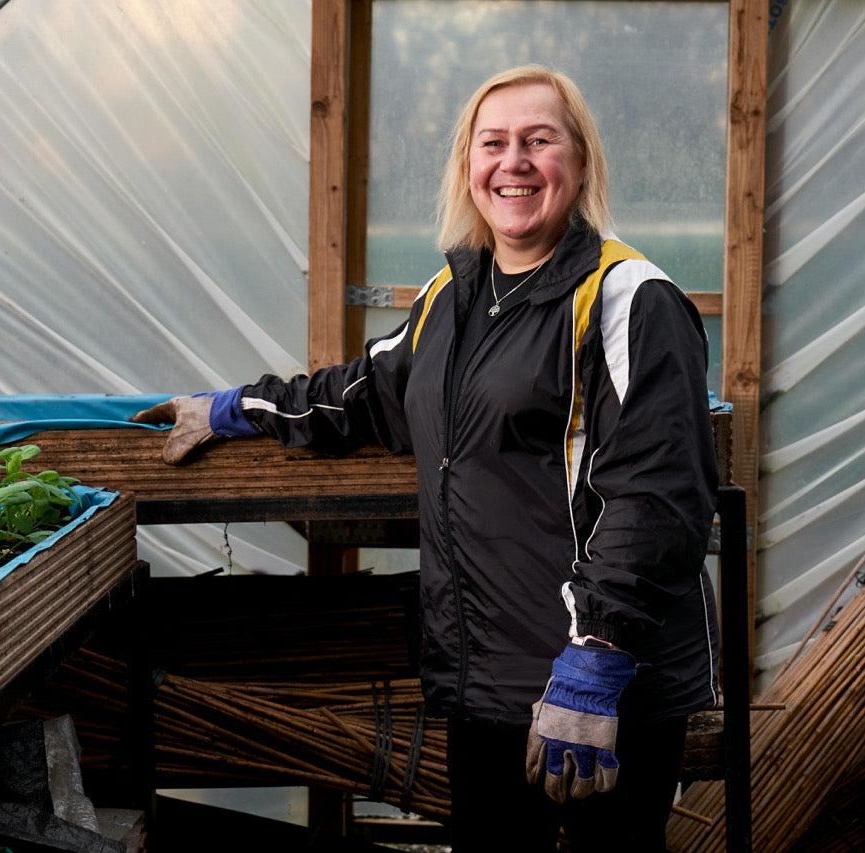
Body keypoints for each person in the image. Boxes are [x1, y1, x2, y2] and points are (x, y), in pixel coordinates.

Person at [132, 65, 719, 852]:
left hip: (596, 689)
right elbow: (362, 394)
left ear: (578, 165)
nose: (513, 162)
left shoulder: (628, 300)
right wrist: (237, 409)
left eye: (539, 141)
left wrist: (598, 660)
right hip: (485, 683)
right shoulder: (453, 298)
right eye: (493, 143)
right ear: (467, 166)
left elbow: (657, 501)